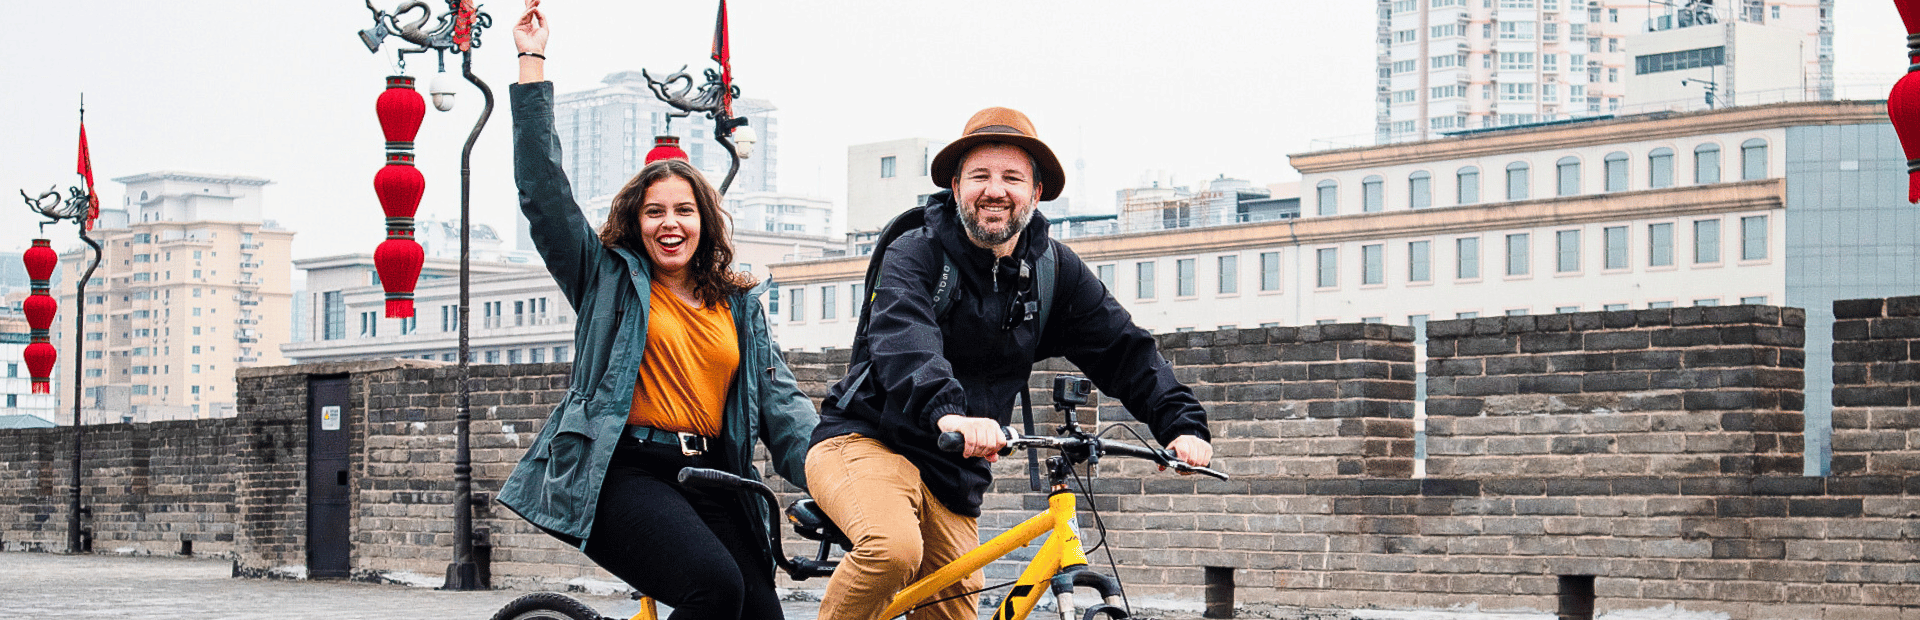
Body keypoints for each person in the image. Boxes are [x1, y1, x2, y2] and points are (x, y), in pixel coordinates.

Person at [805, 106, 1215, 620]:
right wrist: (948, 412)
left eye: (1012, 178)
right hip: (864, 441)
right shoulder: (915, 253)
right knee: (892, 550)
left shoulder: (1052, 270)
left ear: (1035, 192)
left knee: (954, 609)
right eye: (980, 175)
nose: (995, 189)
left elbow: (1123, 349)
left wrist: (1181, 423)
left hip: (950, 472)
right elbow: (905, 340)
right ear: (956, 186)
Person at [495, 2, 817, 618]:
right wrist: (531, 63)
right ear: (635, 224)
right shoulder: (605, 280)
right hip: (626, 470)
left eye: (684, 211)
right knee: (713, 588)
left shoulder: (738, 303)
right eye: (654, 212)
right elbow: (542, 191)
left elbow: (782, 405)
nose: (670, 224)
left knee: (759, 611)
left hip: (716, 479)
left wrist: (835, 474)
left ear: (705, 222)